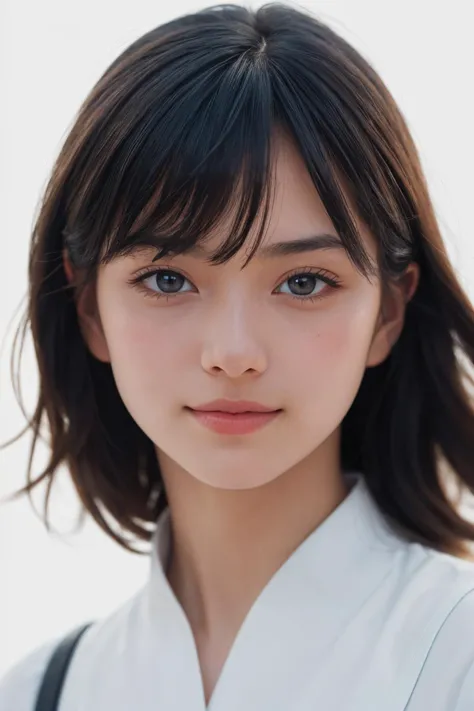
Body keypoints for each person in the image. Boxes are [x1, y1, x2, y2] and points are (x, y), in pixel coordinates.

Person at [2, 3, 474, 709]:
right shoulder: (43, 689)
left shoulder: (456, 655)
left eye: (304, 281)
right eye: (168, 278)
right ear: (90, 307)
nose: (234, 353)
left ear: (389, 312)